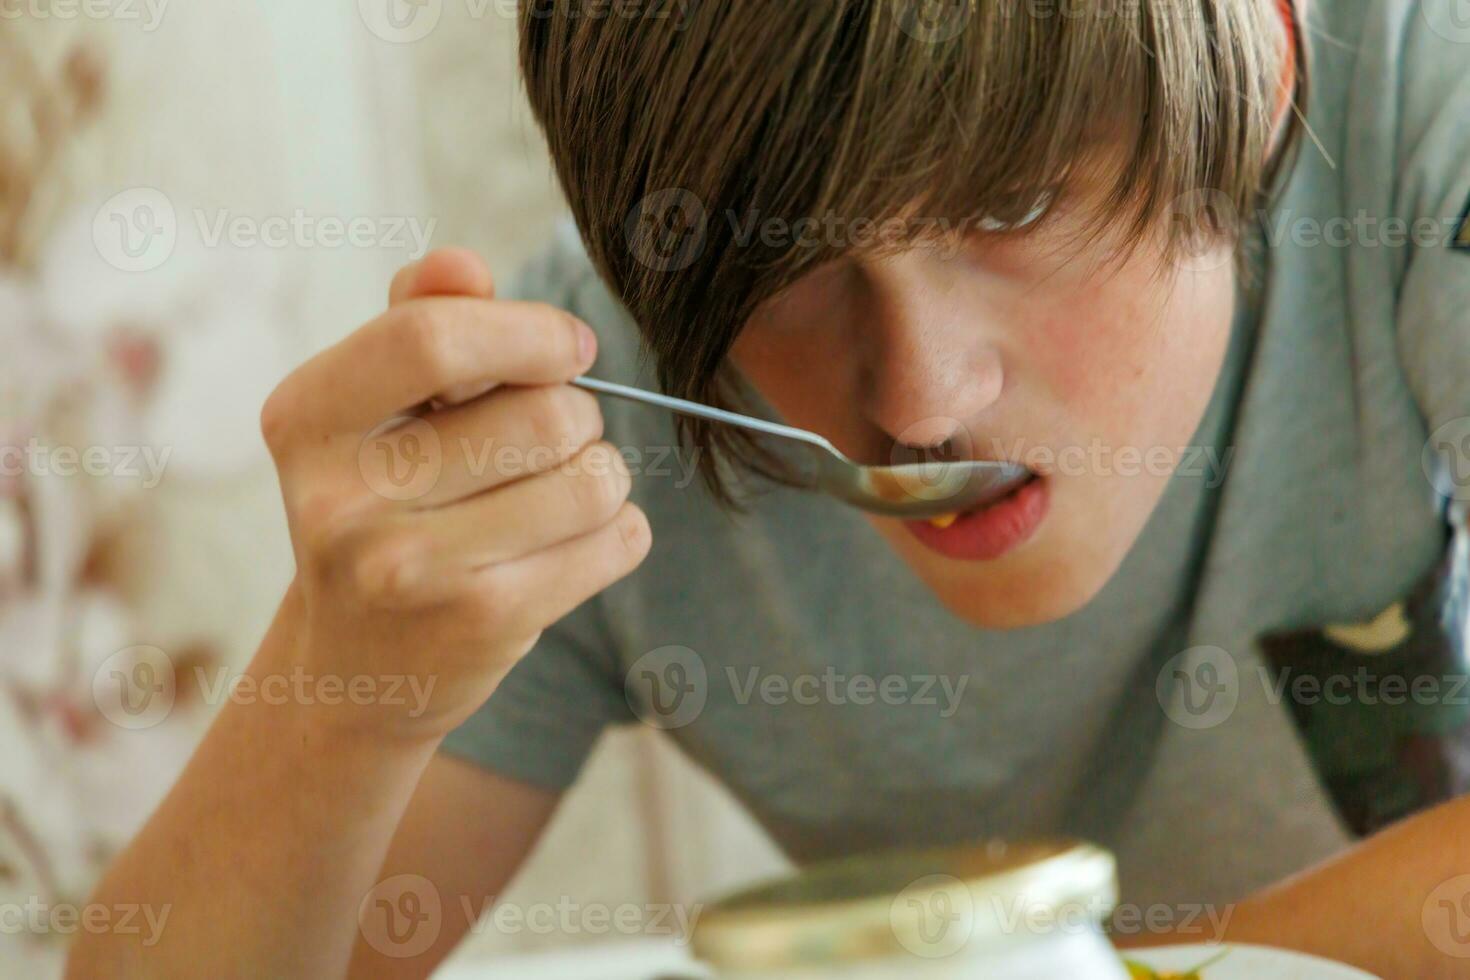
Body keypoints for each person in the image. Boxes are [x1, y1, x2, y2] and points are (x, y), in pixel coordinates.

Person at [69, 0, 1470, 976]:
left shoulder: (1425, 104)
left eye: (1011, 203)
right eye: (793, 263)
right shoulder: (595, 409)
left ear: (1268, 60)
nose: (918, 401)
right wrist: (337, 694)